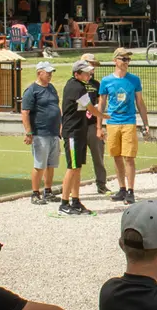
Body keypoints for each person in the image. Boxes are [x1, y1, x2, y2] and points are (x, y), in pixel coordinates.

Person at [99, 49, 149, 206]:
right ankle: (121, 188)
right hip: (113, 122)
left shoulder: (134, 80)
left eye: (128, 60)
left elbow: (140, 102)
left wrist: (146, 122)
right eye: (124, 59)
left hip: (128, 121)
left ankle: (131, 190)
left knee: (129, 157)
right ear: (115, 60)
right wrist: (98, 126)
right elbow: (101, 104)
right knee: (116, 156)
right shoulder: (106, 81)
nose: (127, 62)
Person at [57, 58, 101, 216]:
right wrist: (105, 116)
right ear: (77, 74)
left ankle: (75, 200)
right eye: (86, 72)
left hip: (80, 131)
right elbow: (91, 108)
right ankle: (64, 203)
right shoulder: (75, 87)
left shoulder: (80, 85)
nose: (89, 74)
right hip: (72, 133)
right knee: (72, 167)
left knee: (78, 168)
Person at [20, 61, 61, 205]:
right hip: (40, 133)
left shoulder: (51, 88)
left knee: (51, 164)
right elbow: (25, 112)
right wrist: (29, 132)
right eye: (47, 72)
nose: (50, 75)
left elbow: (56, 107)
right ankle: (35, 193)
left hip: (54, 132)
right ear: (39, 73)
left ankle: (48, 191)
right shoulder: (31, 90)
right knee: (39, 165)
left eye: (51, 73)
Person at [78, 52, 110, 196]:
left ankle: (101, 184)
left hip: (92, 125)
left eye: (93, 66)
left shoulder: (97, 85)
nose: (92, 69)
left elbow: (99, 106)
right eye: (90, 65)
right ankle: (73, 189)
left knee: (98, 156)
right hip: (78, 125)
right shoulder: (75, 84)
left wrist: (99, 127)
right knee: (76, 159)